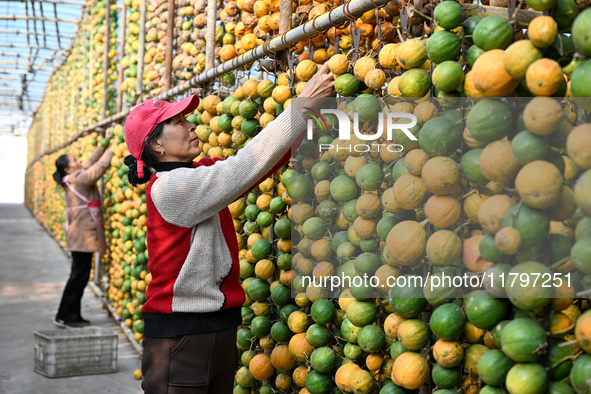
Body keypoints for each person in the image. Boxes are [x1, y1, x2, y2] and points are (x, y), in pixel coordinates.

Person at [123, 63, 335, 393]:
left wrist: (308, 119)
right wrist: (303, 105)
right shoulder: (171, 187)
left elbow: (254, 169)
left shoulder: (196, 175)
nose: (191, 126)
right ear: (157, 146)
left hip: (215, 328)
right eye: (178, 122)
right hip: (183, 336)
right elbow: (244, 166)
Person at [52, 143, 114, 328]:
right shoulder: (78, 178)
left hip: (78, 234)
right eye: (74, 160)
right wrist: (112, 150)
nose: (79, 161)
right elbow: (96, 170)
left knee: (79, 275)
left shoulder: (72, 176)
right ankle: (66, 316)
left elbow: (88, 163)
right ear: (68, 168)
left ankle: (72, 315)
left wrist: (102, 147)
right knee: (78, 276)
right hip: (82, 236)